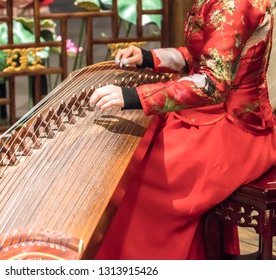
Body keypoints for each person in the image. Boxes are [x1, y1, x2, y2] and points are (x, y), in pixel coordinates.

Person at [90, 0, 276, 260]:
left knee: (147, 184)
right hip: (208, 115)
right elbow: (207, 55)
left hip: (237, 126)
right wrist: (150, 57)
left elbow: (213, 82)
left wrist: (134, 97)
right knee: (140, 152)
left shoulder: (235, 5)